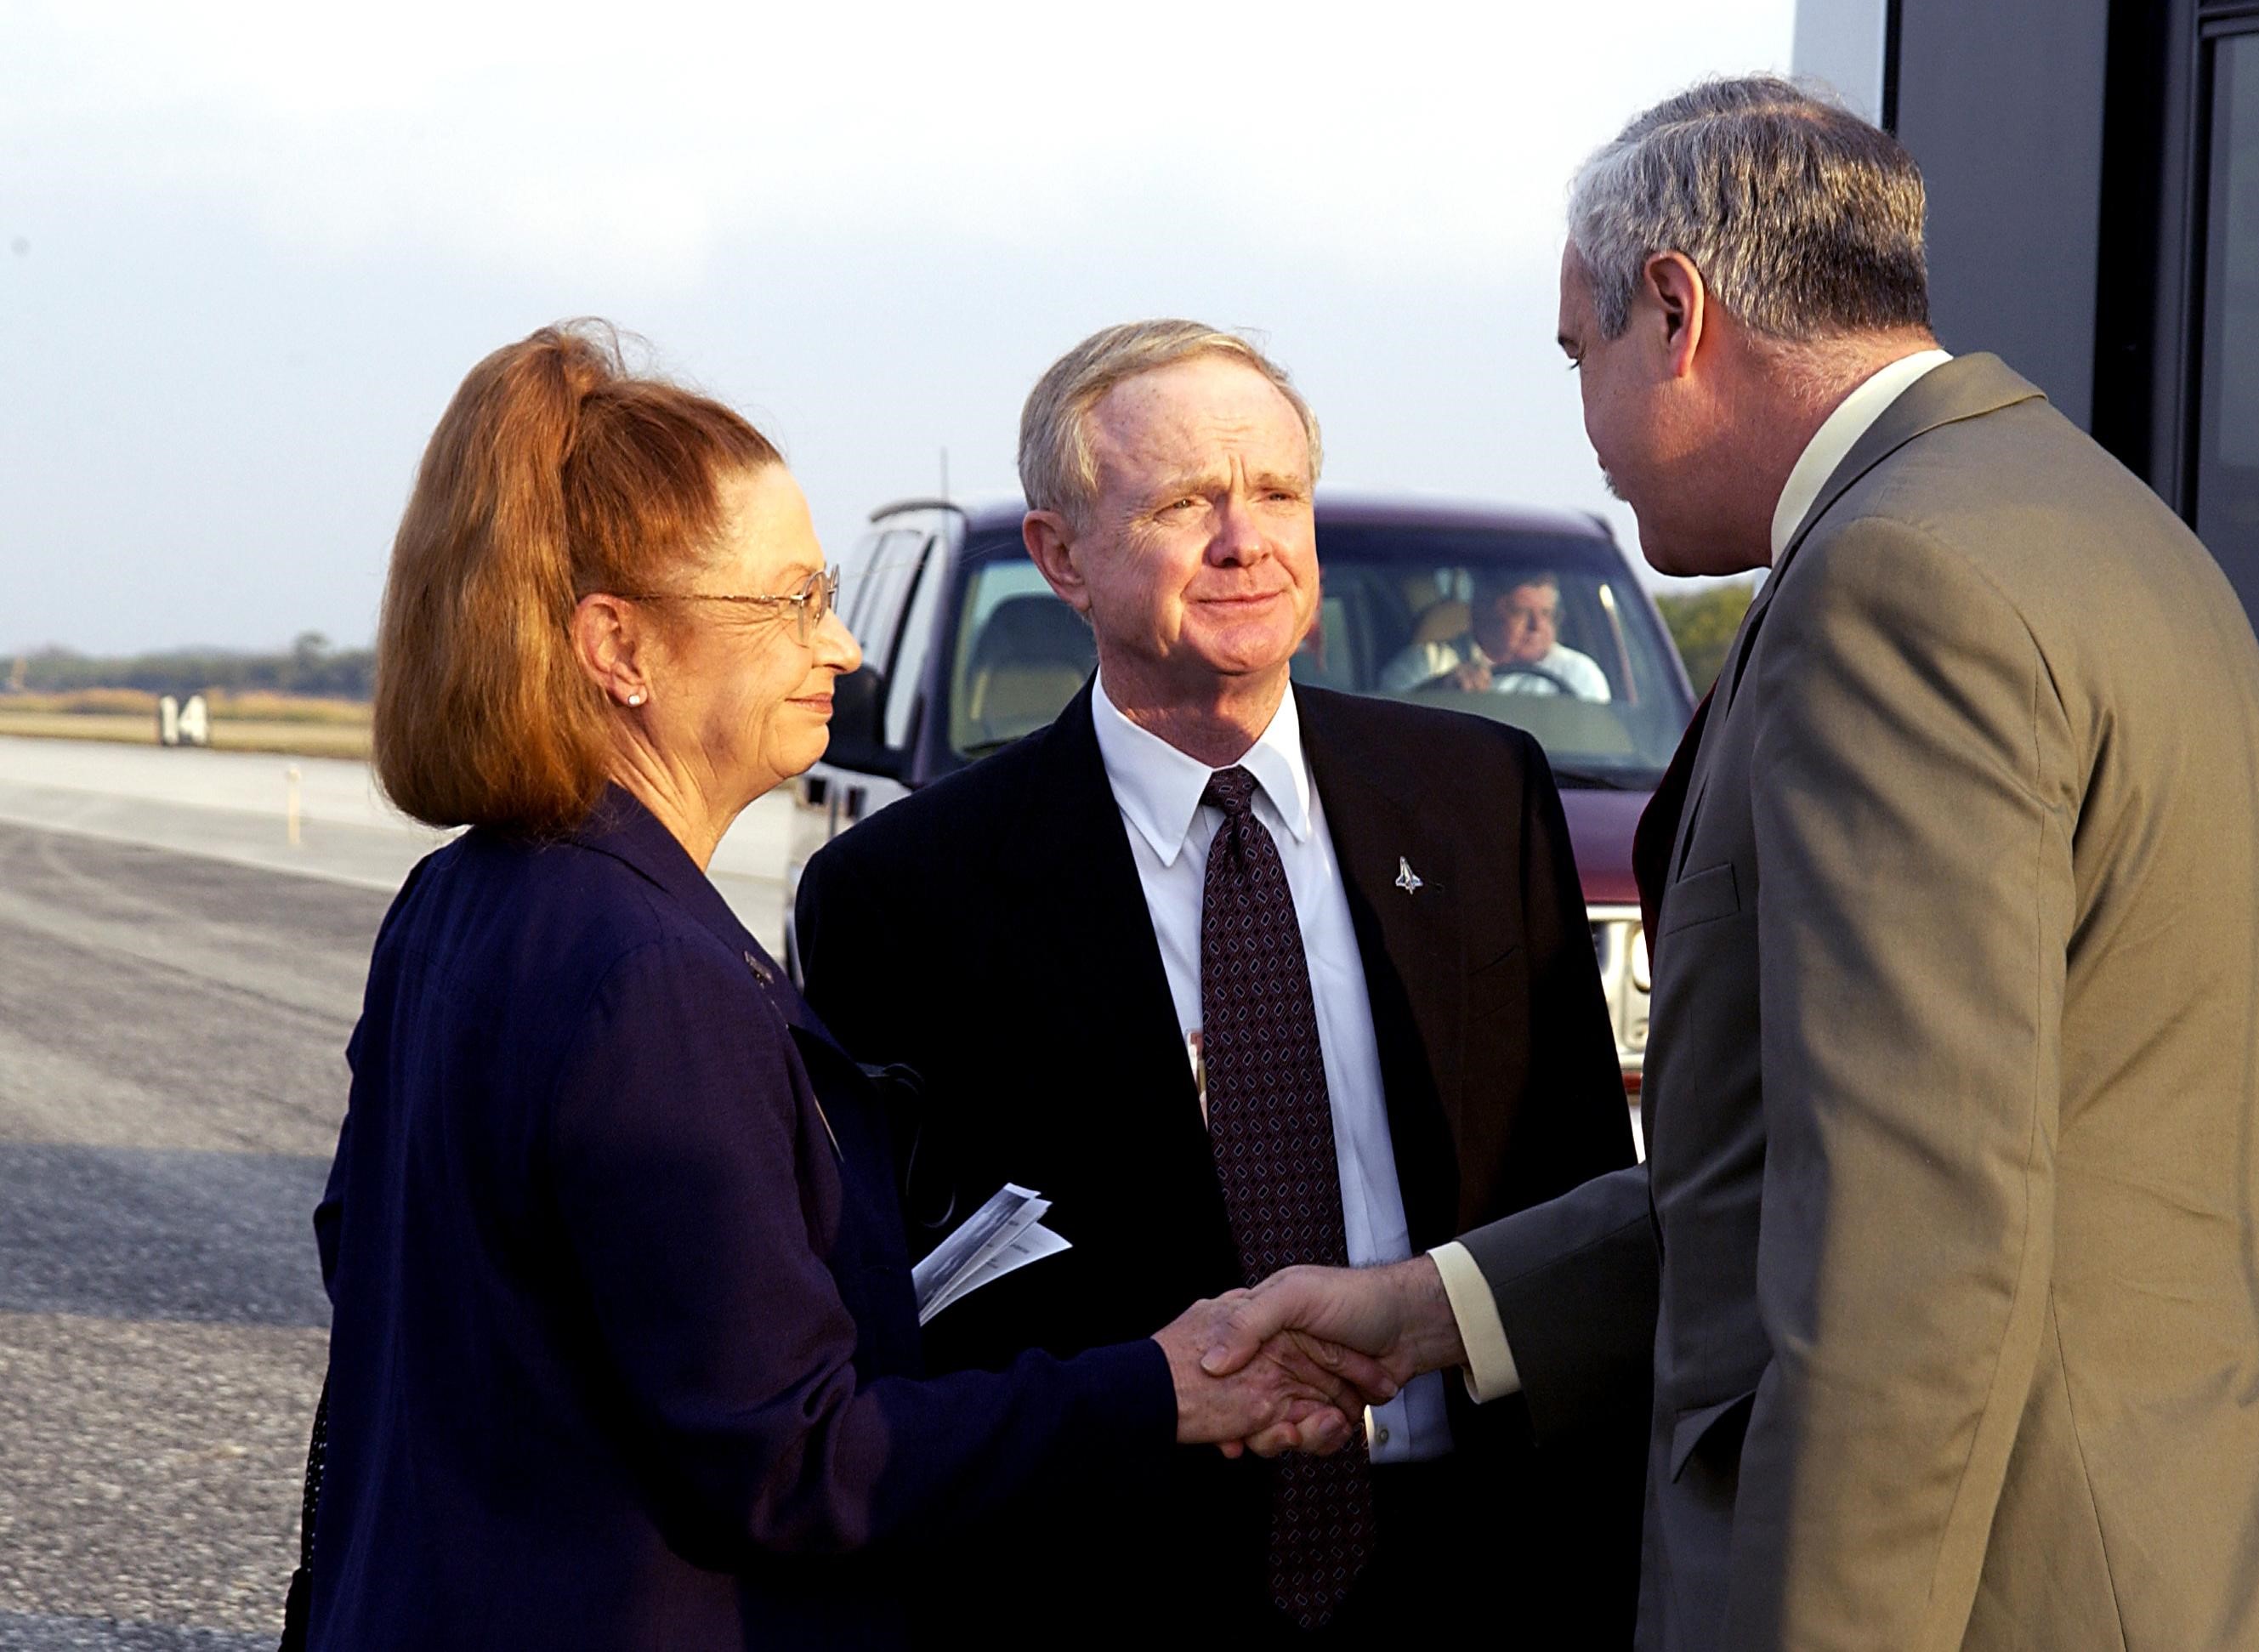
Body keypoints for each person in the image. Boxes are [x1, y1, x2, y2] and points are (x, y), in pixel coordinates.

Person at [1202, 78, 2259, 1650]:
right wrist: (1433, 1310)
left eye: (1578, 353)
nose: (1586, 427)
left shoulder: (1890, 588)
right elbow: (1833, 1170)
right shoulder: (2083, 519)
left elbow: (1909, 1259)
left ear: (1677, 311)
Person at [306, 322, 1385, 1652]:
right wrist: (1158, 1385)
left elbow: (393, 1282)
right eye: (794, 600)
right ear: (618, 646)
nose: (847, 644)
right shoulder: (653, 976)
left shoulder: (461, 903)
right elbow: (795, 1459)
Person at [792, 320, 1642, 1648]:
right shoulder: (903, 895)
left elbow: (1587, 1202)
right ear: (1061, 556)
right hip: (1111, 1587)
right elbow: (901, 1323)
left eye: (1278, 493)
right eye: (1185, 503)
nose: (1246, 540)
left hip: (1480, 1569)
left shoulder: (1484, 798)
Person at [1377, 569, 1611, 700]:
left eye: (1547, 614)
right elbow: (1383, 731)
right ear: (1481, 612)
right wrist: (1436, 695)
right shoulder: (1426, 665)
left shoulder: (1577, 674)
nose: (1538, 626)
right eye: (1520, 612)